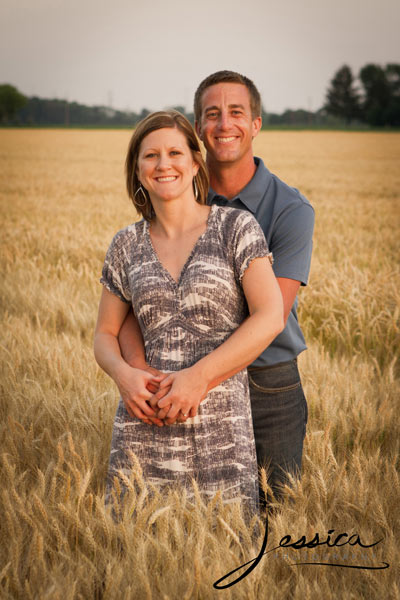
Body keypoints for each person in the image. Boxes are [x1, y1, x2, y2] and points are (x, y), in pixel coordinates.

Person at [118, 72, 315, 503]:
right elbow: (137, 300)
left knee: (274, 512)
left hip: (265, 380)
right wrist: (138, 370)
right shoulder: (173, 194)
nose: (224, 124)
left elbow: (271, 316)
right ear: (199, 131)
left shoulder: (289, 209)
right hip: (178, 381)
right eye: (212, 114)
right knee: (179, 516)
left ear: (257, 124)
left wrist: (199, 378)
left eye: (237, 113)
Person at [94, 110, 284, 512]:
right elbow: (105, 334)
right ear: (138, 169)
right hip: (144, 420)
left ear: (196, 162)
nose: (163, 165)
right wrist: (125, 376)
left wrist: (198, 379)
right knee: (133, 553)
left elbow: (270, 315)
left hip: (220, 429)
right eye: (150, 156)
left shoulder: (236, 228)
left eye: (175, 153)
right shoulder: (125, 244)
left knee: (225, 552)